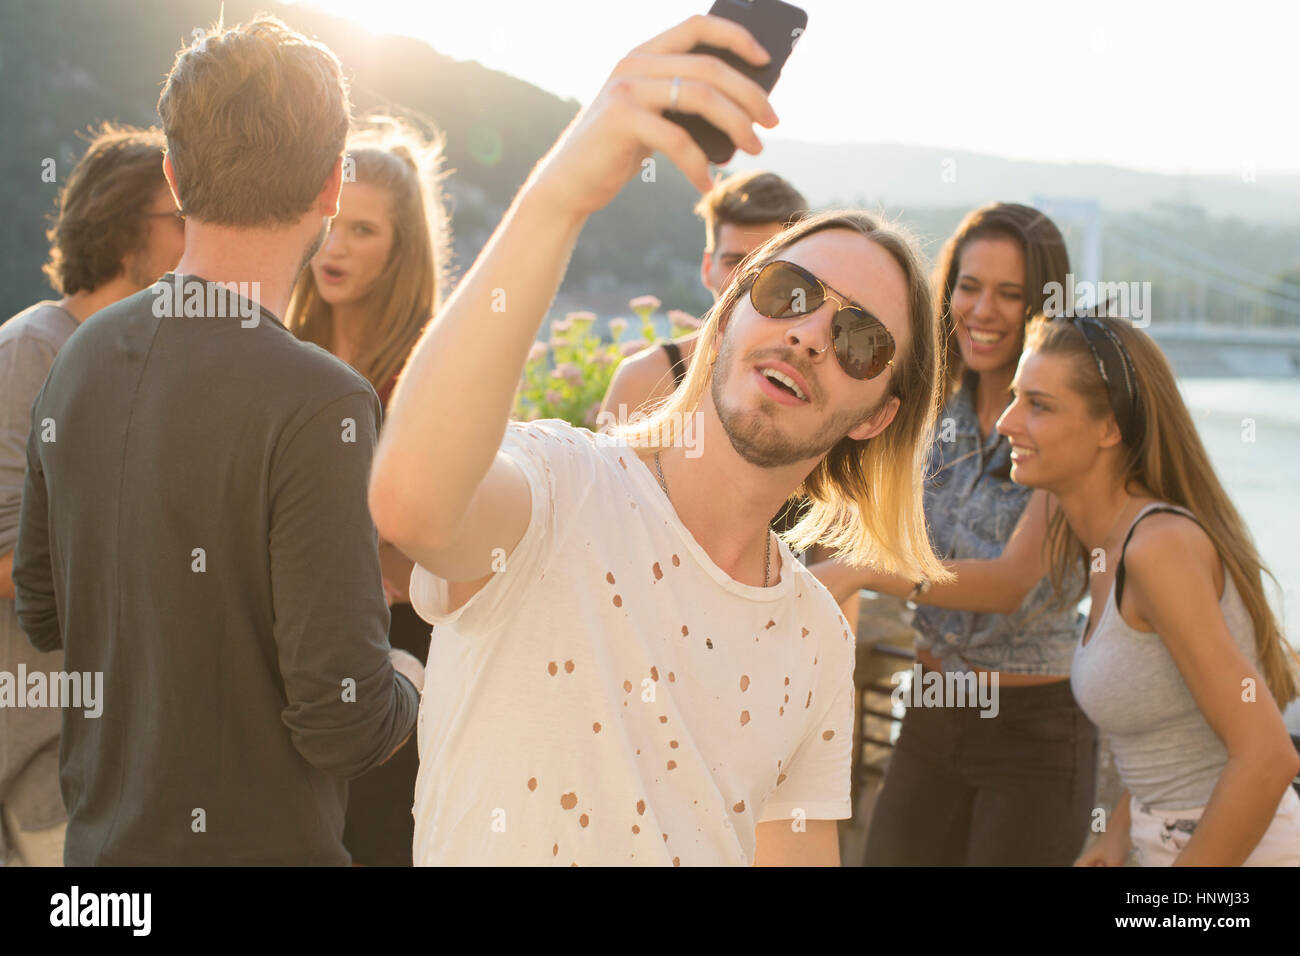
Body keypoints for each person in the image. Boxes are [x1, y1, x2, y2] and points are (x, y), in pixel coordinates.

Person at [369, 13, 953, 866]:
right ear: (730, 310)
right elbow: (413, 504)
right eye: (790, 291)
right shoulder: (559, 488)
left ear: (876, 414)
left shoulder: (814, 641)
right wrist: (565, 188)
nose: (813, 335)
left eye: (861, 338)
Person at [11, 14, 421, 865]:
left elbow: (46, 610)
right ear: (332, 186)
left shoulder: (76, 354)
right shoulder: (322, 402)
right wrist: (415, 680)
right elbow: (344, 721)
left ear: (172, 170)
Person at [815, 203, 1099, 866]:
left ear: (1044, 303)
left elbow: (1011, 582)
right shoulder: (928, 406)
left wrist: (861, 572)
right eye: (970, 287)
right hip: (931, 712)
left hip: (1033, 735)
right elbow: (842, 497)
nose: (983, 311)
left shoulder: (1070, 416)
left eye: (1010, 294)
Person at [998, 313, 1300, 865]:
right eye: (1016, 396)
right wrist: (1116, 836)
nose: (1005, 421)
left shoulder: (1157, 548)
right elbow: (1167, 724)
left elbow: (1268, 756)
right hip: (1163, 845)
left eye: (1038, 405)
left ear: (1110, 427)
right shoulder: (1110, 546)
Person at [0, 123, 184, 867]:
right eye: (181, 222)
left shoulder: (145, 367)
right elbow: (7, 559)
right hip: (45, 760)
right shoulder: (32, 352)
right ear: (119, 232)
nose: (199, 245)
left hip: (120, 759)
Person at [286, 115, 450, 866]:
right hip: (287, 646)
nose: (336, 246)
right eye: (329, 224)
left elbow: (440, 545)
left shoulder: (427, 372)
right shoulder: (282, 349)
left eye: (363, 230)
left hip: (398, 655)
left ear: (401, 249)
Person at [601, 170, 808, 419]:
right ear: (708, 268)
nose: (750, 280)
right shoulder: (643, 380)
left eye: (769, 265)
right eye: (735, 262)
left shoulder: (811, 384)